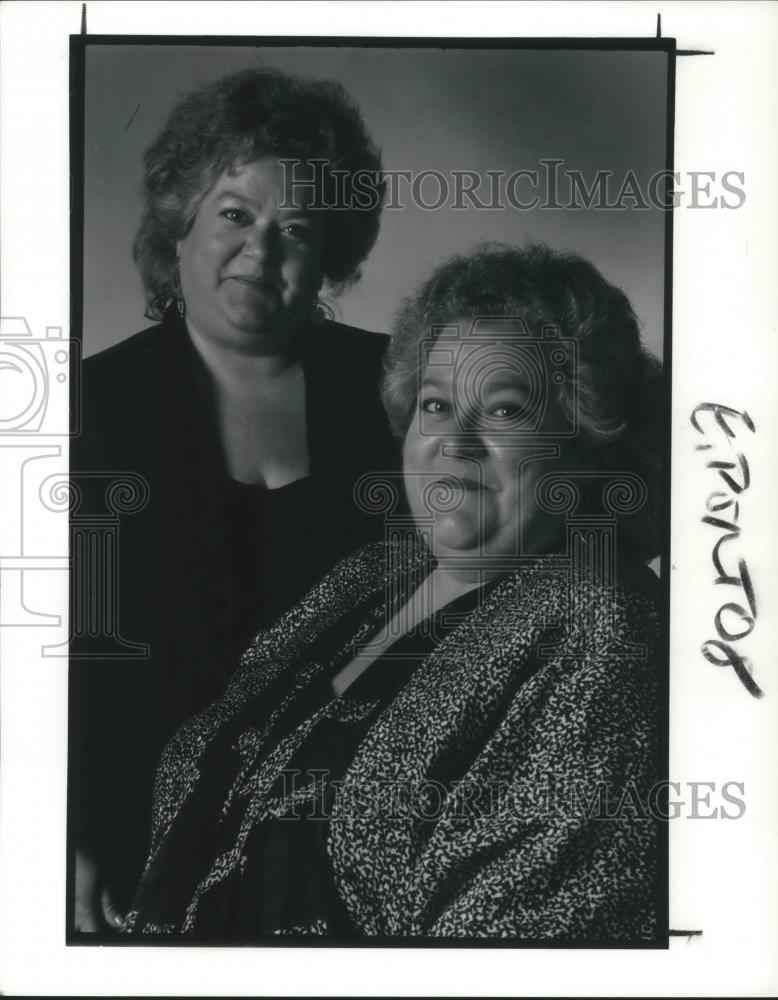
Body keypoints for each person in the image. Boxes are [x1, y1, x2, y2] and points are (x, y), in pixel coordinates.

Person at [121, 243, 665, 942]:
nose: (454, 443)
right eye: (436, 404)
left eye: (504, 412)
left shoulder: (604, 633)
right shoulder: (371, 579)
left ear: (588, 446)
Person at [70, 68, 398, 931]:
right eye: (235, 214)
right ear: (179, 225)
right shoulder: (83, 409)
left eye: (298, 227)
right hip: (132, 837)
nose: (262, 250)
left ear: (331, 252)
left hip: (359, 837)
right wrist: (52, 829)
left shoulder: (407, 389)